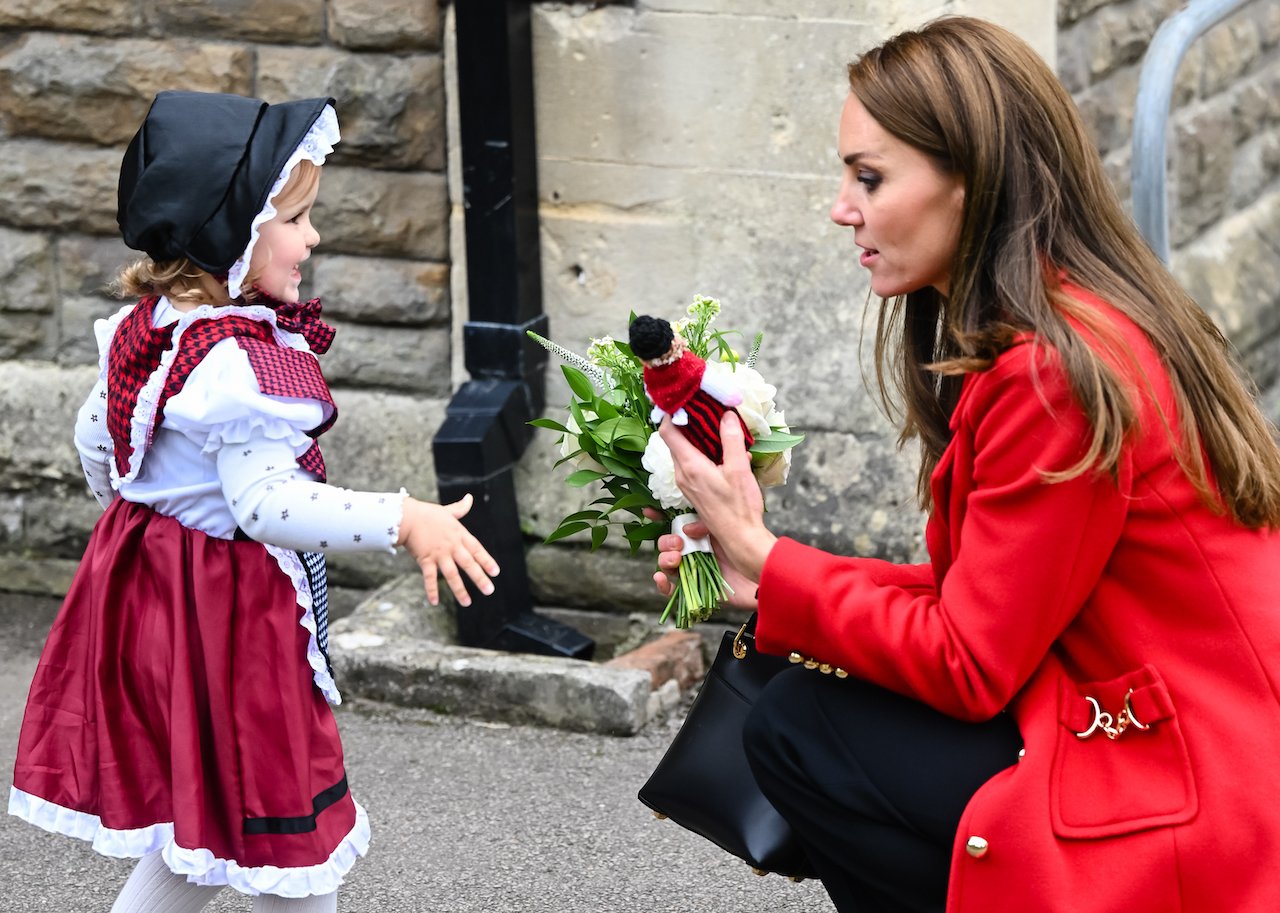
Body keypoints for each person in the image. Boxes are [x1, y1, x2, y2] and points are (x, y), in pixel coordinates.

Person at [653, 16, 1280, 913]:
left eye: (869, 177)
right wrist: (771, 583)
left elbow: (969, 661)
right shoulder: (1072, 316)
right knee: (808, 707)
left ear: (971, 182)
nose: (842, 207)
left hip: (1198, 779)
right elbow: (988, 600)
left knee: (800, 726)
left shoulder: (1053, 371)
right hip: (1187, 727)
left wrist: (765, 553)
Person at [9, 91, 499, 912]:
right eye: (296, 218)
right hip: (230, 625)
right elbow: (267, 505)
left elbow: (99, 440)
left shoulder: (152, 325)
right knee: (293, 840)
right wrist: (403, 518)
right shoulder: (236, 366)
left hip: (150, 604)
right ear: (228, 232)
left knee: (201, 836)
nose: (312, 236)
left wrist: (144, 521)